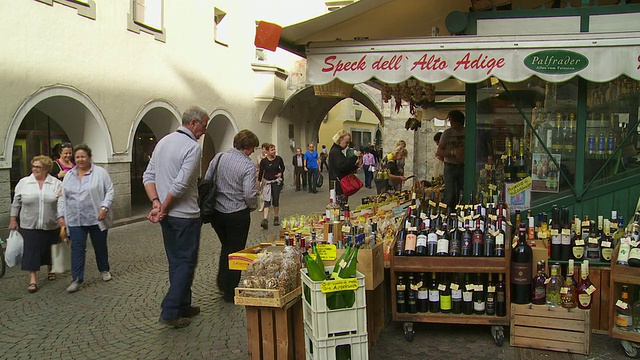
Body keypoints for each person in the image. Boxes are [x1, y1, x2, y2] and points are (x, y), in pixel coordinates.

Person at [143, 106, 209, 328]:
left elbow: (148, 175)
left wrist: (157, 203)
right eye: (204, 126)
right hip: (185, 215)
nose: (204, 132)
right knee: (186, 263)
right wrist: (164, 206)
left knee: (176, 262)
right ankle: (170, 310)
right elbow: (180, 184)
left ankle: (184, 305)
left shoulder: (163, 142)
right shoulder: (192, 147)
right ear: (193, 124)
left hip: (168, 217)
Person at [205, 129, 259, 303]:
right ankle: (230, 289)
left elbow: (207, 179)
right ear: (247, 147)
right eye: (252, 149)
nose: (252, 152)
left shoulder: (219, 157)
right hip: (237, 213)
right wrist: (252, 207)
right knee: (236, 251)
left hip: (217, 213)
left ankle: (222, 282)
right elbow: (249, 193)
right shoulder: (248, 166)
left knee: (226, 247)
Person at [58, 144, 114, 294]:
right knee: (77, 248)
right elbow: (63, 197)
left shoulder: (100, 173)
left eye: (83, 156)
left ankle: (104, 269)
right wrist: (61, 215)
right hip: (76, 219)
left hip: (96, 218)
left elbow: (110, 191)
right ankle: (77, 279)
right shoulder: (69, 175)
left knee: (100, 245)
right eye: (77, 157)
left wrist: (104, 207)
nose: (80, 159)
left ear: (89, 157)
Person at [9, 155, 63, 293]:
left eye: (38, 167)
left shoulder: (56, 183)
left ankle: (51, 269)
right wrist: (13, 219)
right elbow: (16, 202)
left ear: (46, 168)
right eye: (33, 166)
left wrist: (62, 218)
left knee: (51, 248)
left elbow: (62, 203)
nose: (34, 169)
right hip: (29, 224)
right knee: (31, 251)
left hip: (51, 223)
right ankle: (33, 279)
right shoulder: (24, 182)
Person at [436, 110, 466, 212]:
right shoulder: (447, 133)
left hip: (464, 167)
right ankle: (447, 214)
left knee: (462, 192)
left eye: (452, 120)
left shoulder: (468, 132)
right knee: (450, 194)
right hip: (450, 166)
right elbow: (439, 151)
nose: (450, 122)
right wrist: (453, 153)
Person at [328, 130, 362, 207]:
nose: (347, 145)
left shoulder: (337, 151)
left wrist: (356, 165)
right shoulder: (336, 152)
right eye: (346, 142)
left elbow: (345, 167)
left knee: (340, 206)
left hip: (339, 184)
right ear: (340, 140)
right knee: (340, 208)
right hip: (339, 185)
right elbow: (343, 166)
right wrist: (355, 157)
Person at [258, 143, 285, 229]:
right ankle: (265, 219)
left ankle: (276, 217)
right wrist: (259, 182)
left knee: (275, 199)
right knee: (267, 200)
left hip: (276, 182)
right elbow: (261, 172)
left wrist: (280, 173)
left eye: (274, 149)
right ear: (267, 151)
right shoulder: (264, 161)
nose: (274, 151)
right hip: (267, 182)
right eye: (272, 150)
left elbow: (283, 167)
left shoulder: (278, 159)